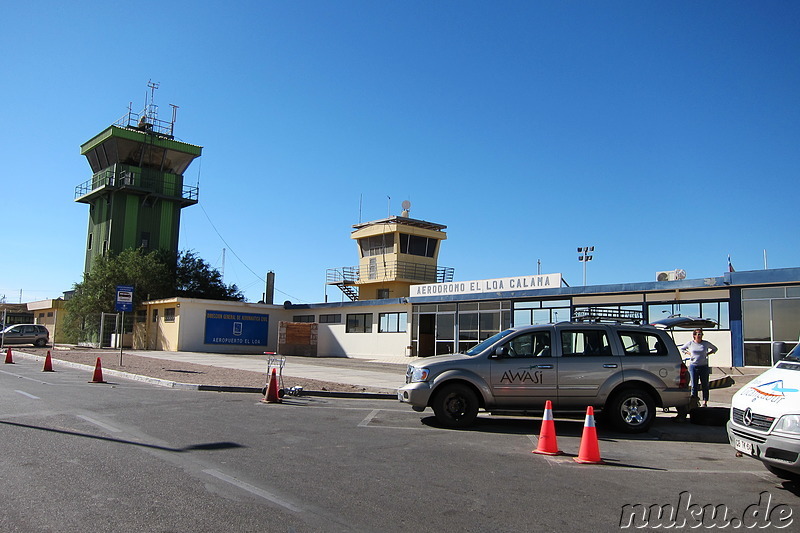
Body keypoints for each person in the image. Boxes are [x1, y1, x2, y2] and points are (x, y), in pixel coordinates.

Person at [680, 329, 718, 407]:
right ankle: (694, 401)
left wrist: (708, 353)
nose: (700, 336)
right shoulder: (690, 343)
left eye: (701, 334)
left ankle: (705, 402)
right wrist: (689, 353)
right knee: (694, 385)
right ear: (694, 335)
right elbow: (682, 349)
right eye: (698, 334)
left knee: (705, 384)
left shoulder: (705, 343)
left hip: (703, 366)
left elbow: (715, 348)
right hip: (693, 366)